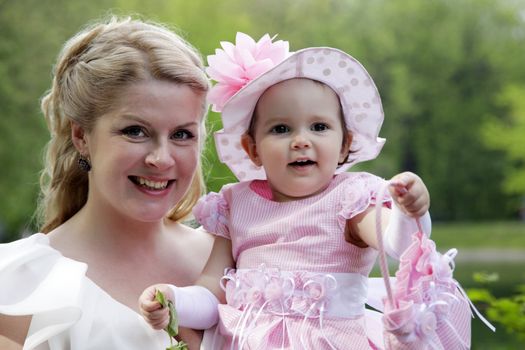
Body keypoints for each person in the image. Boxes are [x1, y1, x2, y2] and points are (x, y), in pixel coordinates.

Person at [138, 32, 443, 349]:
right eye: (281, 129)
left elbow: (398, 244)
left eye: (319, 127)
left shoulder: (349, 199)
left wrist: (411, 213)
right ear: (252, 148)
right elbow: (212, 292)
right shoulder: (236, 205)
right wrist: (175, 300)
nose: (301, 140)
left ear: (345, 145)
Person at [0, 16, 215, 349]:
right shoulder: (16, 287)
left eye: (182, 134)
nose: (161, 158)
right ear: (81, 136)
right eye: (135, 131)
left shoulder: (241, 260)